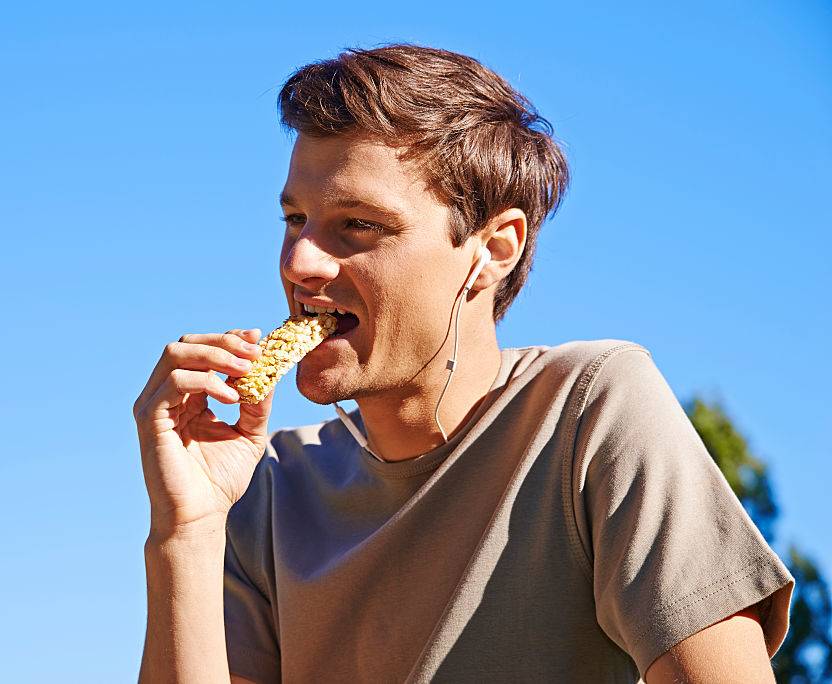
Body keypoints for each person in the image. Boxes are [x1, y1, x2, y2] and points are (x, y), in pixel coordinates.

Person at [132, 44, 794, 683]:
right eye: (295, 219)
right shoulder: (268, 490)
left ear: (494, 249)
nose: (299, 263)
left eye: (358, 225)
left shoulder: (588, 410)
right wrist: (184, 532)